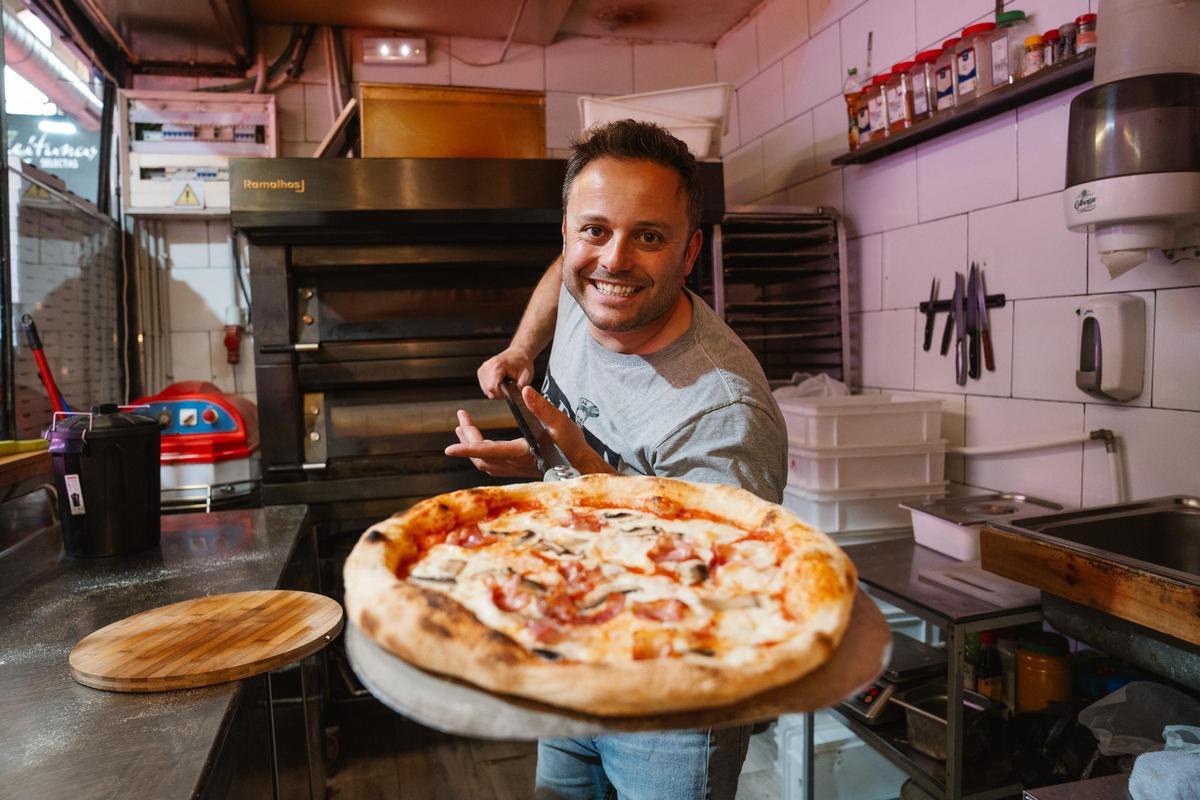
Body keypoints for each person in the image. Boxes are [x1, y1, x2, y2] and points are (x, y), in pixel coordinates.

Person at [445, 119, 788, 800]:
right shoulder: (591, 290)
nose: (614, 259)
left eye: (650, 236)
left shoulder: (721, 410)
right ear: (568, 234)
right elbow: (564, 275)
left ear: (689, 254)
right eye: (594, 230)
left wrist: (579, 468)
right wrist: (525, 360)